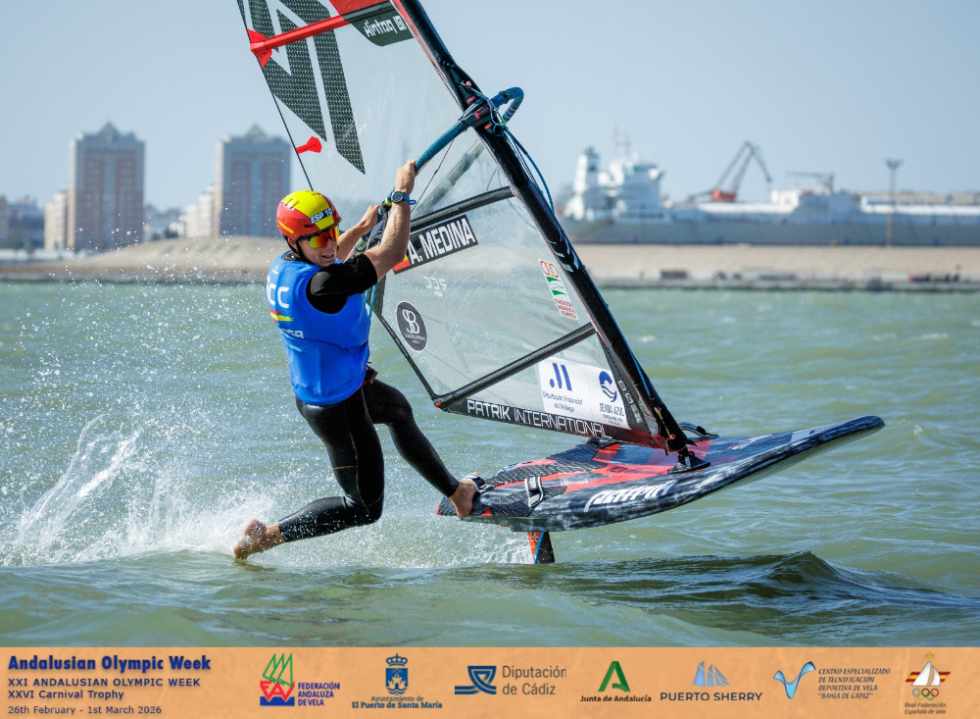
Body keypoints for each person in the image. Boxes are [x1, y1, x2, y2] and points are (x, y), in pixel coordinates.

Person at [234, 160, 477, 560]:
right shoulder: (324, 284)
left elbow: (331, 259)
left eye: (332, 232)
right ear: (295, 241)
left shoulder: (287, 266)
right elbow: (392, 252)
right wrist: (402, 193)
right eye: (319, 238)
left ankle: (458, 494)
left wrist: (360, 229)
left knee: (397, 410)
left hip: (336, 384)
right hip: (336, 408)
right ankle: (270, 535)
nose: (330, 244)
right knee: (363, 509)